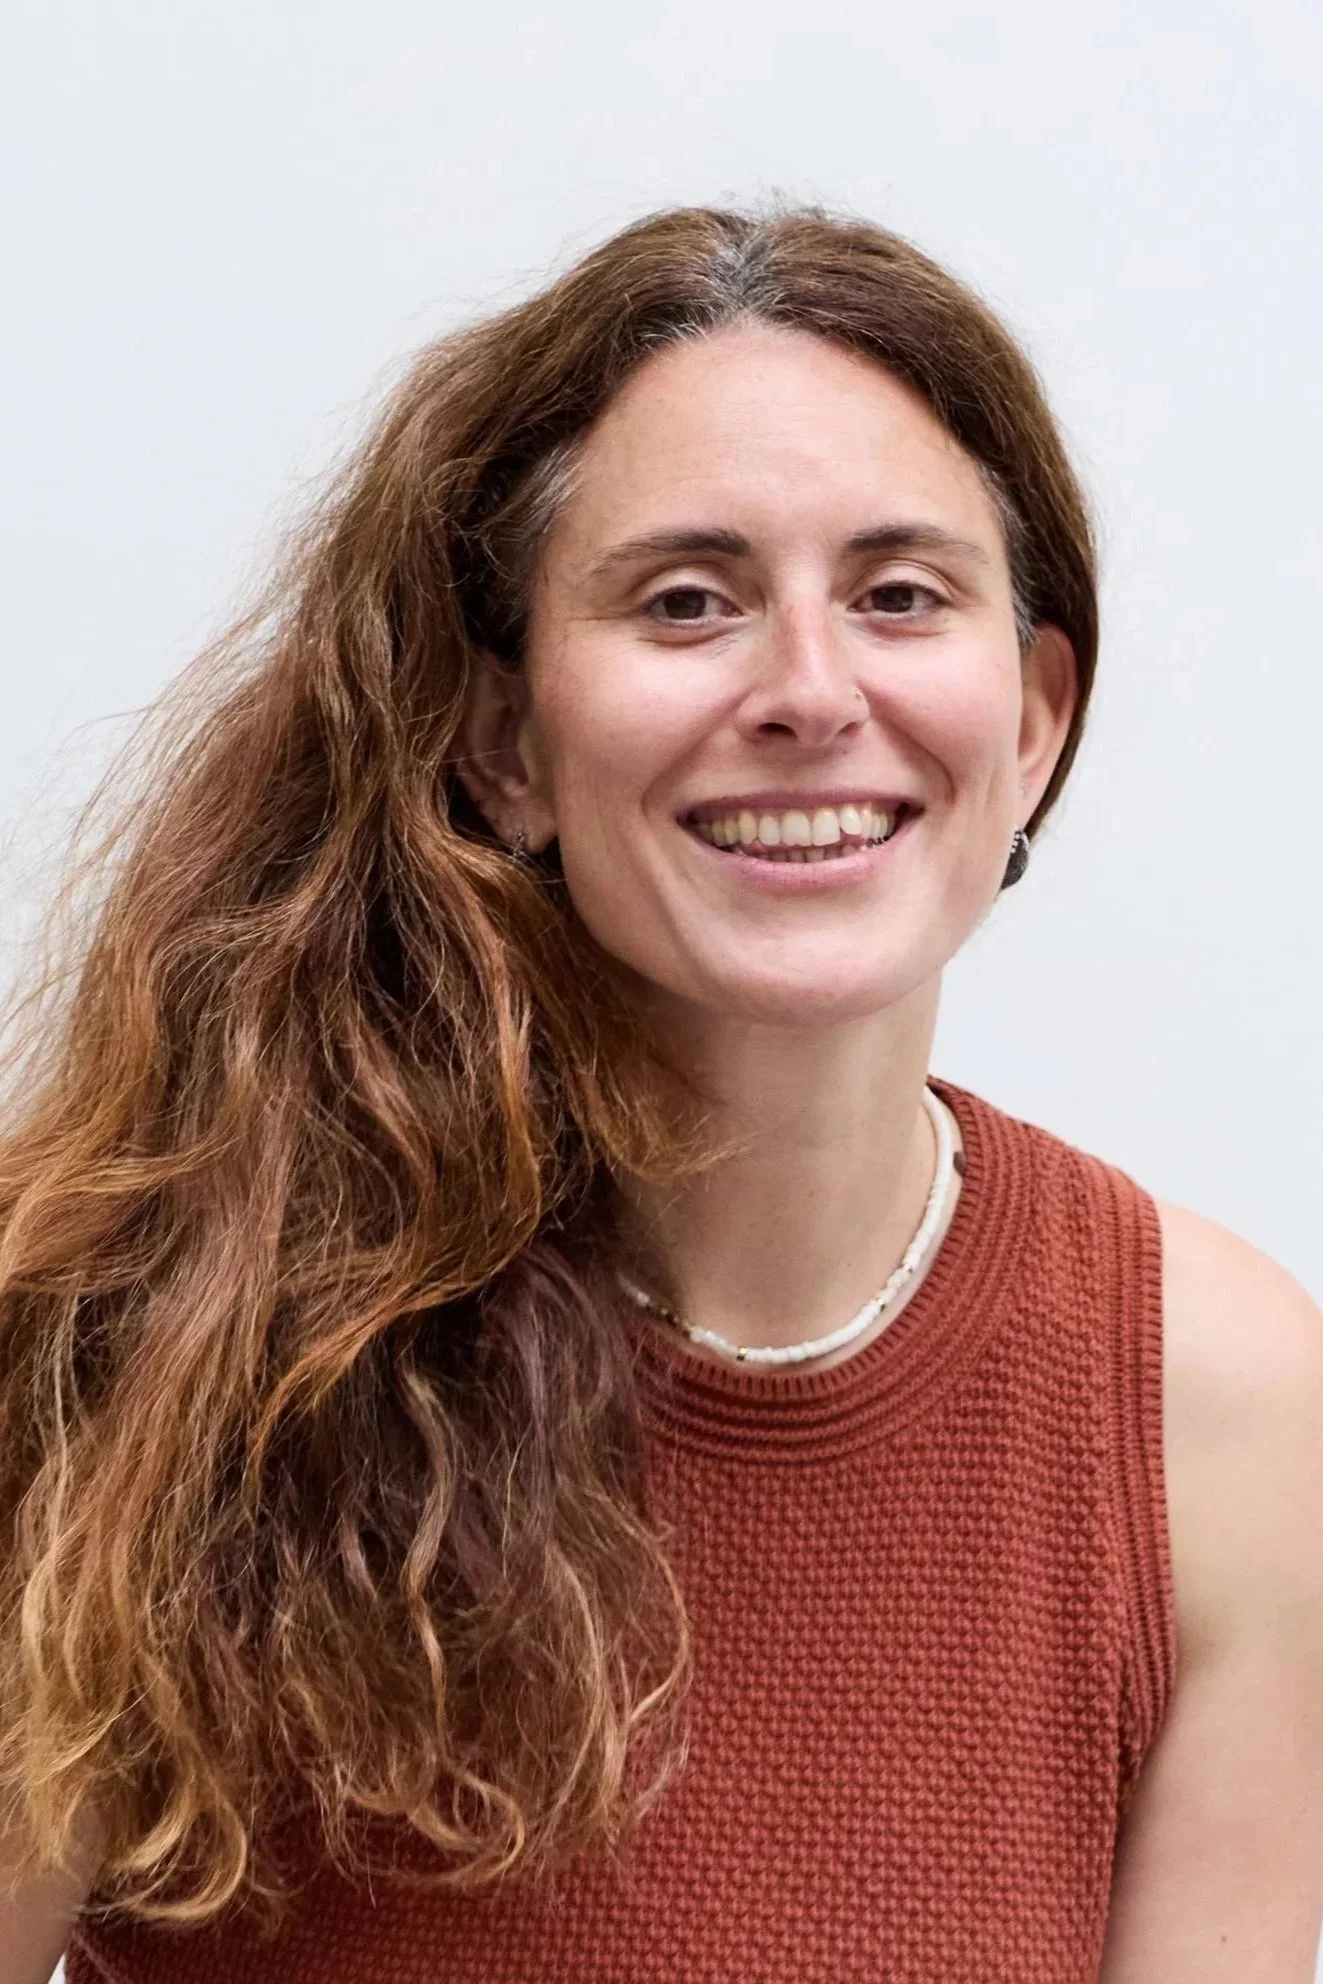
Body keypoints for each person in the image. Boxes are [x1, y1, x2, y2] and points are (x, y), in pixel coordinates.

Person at [1, 204, 1319, 1984]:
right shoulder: (135, 1322)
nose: (806, 691)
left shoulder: (1220, 1412)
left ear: (1031, 724)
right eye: (686, 601)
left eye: (899, 595)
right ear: (501, 744)